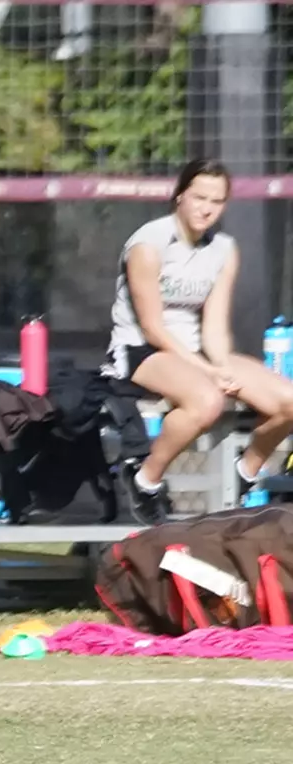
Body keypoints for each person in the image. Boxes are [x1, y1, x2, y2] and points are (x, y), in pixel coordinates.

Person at [107, 157, 293, 525]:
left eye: (216, 201)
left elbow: (214, 327)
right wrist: (209, 372)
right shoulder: (149, 243)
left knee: (289, 401)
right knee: (207, 401)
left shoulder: (224, 249)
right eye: (199, 197)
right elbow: (153, 328)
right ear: (180, 196)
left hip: (195, 351)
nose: (206, 209)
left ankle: (245, 475)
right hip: (142, 350)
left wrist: (221, 365)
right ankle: (146, 480)